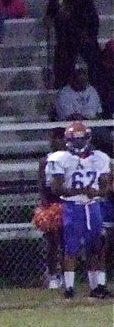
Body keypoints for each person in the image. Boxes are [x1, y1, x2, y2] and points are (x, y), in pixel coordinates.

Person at [46, 120, 112, 298]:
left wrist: (96, 192)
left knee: (97, 246)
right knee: (71, 248)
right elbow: (56, 189)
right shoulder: (60, 158)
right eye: (75, 139)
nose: (79, 142)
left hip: (93, 205)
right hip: (72, 206)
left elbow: (106, 186)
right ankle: (69, 288)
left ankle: (98, 286)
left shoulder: (100, 158)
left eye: (82, 138)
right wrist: (81, 191)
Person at [46, 0, 104, 88]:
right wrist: (51, 15)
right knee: (62, 64)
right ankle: (63, 86)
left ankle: (98, 87)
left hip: (83, 32)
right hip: (65, 36)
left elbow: (91, 16)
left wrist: (88, 33)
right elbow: (52, 8)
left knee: (95, 63)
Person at [33, 128, 67, 289]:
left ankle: (66, 275)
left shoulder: (70, 159)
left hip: (67, 200)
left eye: (56, 138)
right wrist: (44, 203)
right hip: (52, 202)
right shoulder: (44, 160)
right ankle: (52, 275)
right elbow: (41, 184)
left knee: (67, 242)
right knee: (52, 242)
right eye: (52, 139)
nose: (52, 142)